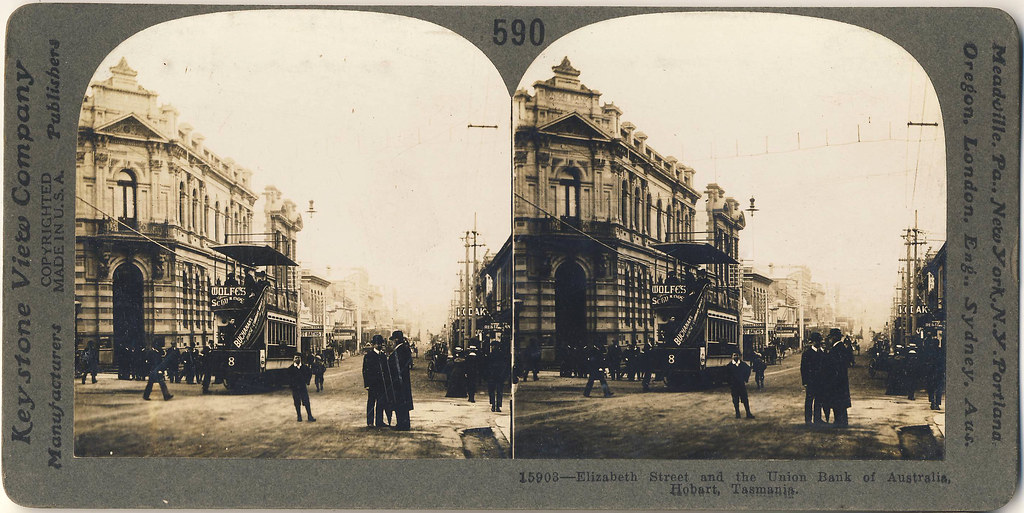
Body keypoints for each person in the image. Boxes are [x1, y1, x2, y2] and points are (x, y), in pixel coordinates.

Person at [388, 331, 414, 430]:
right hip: (404, 380)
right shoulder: (405, 349)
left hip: (399, 381)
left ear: (396, 340)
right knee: (404, 402)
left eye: (393, 340)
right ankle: (405, 423)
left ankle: (401, 424)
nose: (392, 342)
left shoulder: (399, 351)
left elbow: (395, 366)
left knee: (399, 402)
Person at [363, 335, 390, 427]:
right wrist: (367, 384)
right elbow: (365, 371)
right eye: (377, 344)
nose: (379, 345)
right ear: (373, 344)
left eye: (380, 344)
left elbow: (386, 371)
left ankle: (379, 421)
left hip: (381, 384)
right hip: (372, 384)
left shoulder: (383, 356)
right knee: (371, 402)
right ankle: (370, 422)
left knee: (381, 402)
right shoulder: (368, 356)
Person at [825, 329, 851, 426]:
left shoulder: (836, 349)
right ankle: (843, 421)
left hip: (836, 380)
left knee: (837, 401)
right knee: (841, 402)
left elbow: (833, 365)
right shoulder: (842, 347)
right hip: (841, 379)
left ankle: (839, 421)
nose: (830, 340)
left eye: (831, 337)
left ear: (834, 337)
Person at [801, 333, 826, 424]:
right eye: (818, 341)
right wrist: (805, 382)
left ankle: (817, 419)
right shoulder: (807, 353)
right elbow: (803, 368)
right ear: (814, 342)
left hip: (820, 381)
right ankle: (808, 420)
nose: (820, 343)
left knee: (819, 400)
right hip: (810, 381)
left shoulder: (821, 353)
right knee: (809, 400)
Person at [287, 354, 315, 422]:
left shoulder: (304, 367)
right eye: (296, 358)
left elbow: (310, 373)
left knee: (306, 401)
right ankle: (299, 416)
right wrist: (291, 385)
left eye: (298, 358)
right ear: (293, 359)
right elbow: (288, 378)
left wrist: (307, 381)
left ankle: (310, 416)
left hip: (303, 387)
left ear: (300, 359)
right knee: (297, 402)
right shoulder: (290, 369)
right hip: (295, 388)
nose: (297, 359)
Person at [726, 352, 754, 419]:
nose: (735, 356)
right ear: (732, 356)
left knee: (745, 399)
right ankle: (737, 414)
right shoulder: (729, 366)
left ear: (739, 356)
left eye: (737, 355)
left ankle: (748, 413)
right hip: (734, 386)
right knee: (735, 400)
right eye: (734, 355)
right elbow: (726, 375)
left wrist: (745, 379)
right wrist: (730, 383)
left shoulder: (743, 364)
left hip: (741, 385)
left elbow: (748, 370)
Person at [486, 340, 511, 412]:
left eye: (493, 346)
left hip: (493, 375)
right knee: (499, 391)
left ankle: (494, 405)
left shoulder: (490, 355)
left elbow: (487, 366)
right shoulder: (502, 355)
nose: (492, 347)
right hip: (499, 375)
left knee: (492, 391)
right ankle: (497, 406)